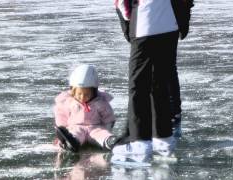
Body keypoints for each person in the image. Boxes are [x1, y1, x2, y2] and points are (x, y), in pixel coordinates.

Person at [112, 0, 194, 163]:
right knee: (160, 81)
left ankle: (139, 142)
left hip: (145, 22)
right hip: (170, 23)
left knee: (138, 84)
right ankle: (163, 139)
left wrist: (129, 19)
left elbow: (123, 4)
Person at [53, 64, 117, 152]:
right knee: (75, 134)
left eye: (87, 94)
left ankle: (109, 141)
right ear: (73, 91)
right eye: (79, 94)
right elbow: (61, 115)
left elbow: (108, 116)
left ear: (94, 92)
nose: (83, 97)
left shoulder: (99, 102)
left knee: (101, 134)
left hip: (95, 127)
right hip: (76, 126)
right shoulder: (69, 102)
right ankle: (71, 142)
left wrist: (107, 127)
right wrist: (62, 128)